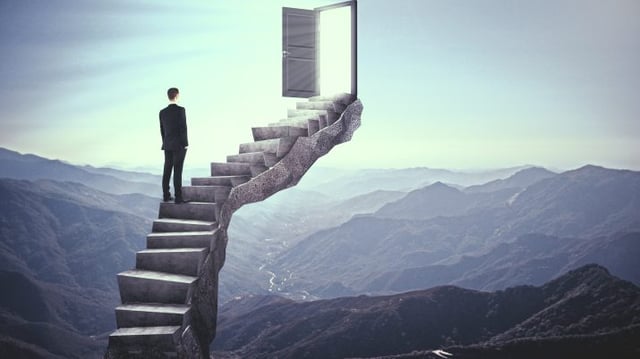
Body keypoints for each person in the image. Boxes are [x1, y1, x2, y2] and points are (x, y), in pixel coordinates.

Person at [159, 87, 188, 204]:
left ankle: (166, 195)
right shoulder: (181, 110)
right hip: (178, 145)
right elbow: (183, 128)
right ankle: (178, 197)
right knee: (177, 170)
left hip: (167, 144)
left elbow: (162, 130)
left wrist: (165, 142)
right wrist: (185, 143)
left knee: (167, 170)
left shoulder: (162, 112)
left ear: (168, 96)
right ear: (177, 96)